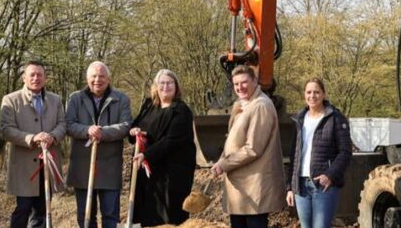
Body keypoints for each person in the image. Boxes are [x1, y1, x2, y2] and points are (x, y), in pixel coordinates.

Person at [211, 65, 284, 228]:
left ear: (255, 81)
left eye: (244, 82)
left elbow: (253, 148)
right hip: (241, 187)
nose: (240, 87)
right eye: (236, 84)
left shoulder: (261, 106)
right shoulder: (243, 104)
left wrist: (225, 164)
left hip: (253, 185)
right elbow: (233, 140)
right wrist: (221, 160)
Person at [66, 61, 132, 228]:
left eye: (102, 76)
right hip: (82, 165)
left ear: (108, 79)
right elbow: (68, 124)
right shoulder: (75, 98)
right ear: (87, 79)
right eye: (93, 76)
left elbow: (126, 126)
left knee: (110, 216)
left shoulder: (121, 99)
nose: (97, 80)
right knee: (86, 216)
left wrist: (103, 132)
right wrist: (88, 130)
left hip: (110, 166)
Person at [1, 60, 67, 228]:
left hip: (48, 163)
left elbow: (62, 124)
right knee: (22, 208)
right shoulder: (10, 100)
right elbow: (7, 130)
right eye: (32, 75)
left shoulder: (56, 100)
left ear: (45, 78)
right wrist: (32, 138)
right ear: (24, 77)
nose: (36, 78)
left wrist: (52, 136)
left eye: (40, 75)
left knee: (42, 210)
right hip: (24, 166)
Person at [128, 69, 196, 227]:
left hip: (172, 174)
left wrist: (146, 155)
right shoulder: (148, 106)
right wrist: (134, 131)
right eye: (162, 83)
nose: (166, 86)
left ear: (176, 86)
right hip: (149, 173)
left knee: (169, 215)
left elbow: (171, 141)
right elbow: (134, 128)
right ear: (156, 86)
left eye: (170, 83)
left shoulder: (181, 111)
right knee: (148, 213)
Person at [286, 78, 352, 228]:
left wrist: (330, 175)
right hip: (301, 185)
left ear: (323, 94)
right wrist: (290, 187)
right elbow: (294, 156)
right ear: (304, 94)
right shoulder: (299, 120)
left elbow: (346, 152)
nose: (312, 95)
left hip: (323, 186)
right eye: (309, 92)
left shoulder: (335, 118)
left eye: (316, 92)